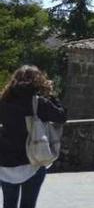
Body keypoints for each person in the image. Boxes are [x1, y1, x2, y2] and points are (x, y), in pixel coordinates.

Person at [0, 65, 67, 208]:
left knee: (8, 204)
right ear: (38, 81)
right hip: (33, 161)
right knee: (28, 205)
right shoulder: (39, 102)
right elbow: (61, 116)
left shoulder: (4, 102)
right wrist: (50, 95)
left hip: (5, 164)